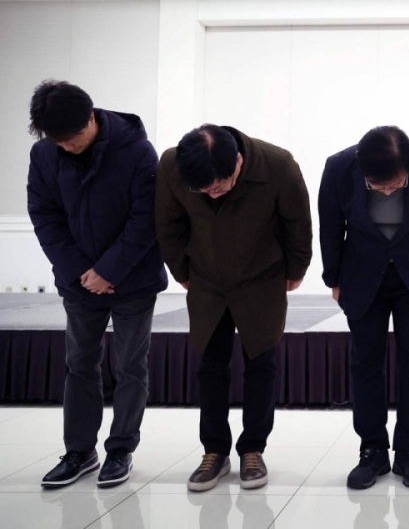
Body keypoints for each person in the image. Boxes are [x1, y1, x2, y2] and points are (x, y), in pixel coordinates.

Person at [154, 124, 312, 492]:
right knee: (210, 364)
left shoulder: (277, 165)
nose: (212, 193)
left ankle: (253, 449)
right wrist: (181, 271)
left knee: (261, 364)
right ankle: (214, 451)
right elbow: (167, 223)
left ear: (238, 161)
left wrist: (296, 269)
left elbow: (298, 223)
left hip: (262, 277)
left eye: (220, 185)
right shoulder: (172, 166)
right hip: (206, 280)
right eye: (203, 189)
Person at [27, 81, 167, 489]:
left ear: (91, 117)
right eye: (59, 142)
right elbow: (44, 215)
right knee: (80, 364)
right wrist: (78, 271)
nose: (67, 147)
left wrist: (109, 270)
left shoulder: (137, 152)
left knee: (129, 365)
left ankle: (120, 449)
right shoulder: (44, 154)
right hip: (78, 282)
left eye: (73, 139)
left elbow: (146, 220)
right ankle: (79, 451)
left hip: (133, 279)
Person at [319, 126, 409, 490]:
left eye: (394, 185)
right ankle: (372, 452)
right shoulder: (338, 168)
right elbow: (331, 226)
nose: (386, 192)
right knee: (365, 361)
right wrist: (332, 277)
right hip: (362, 275)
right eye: (377, 187)